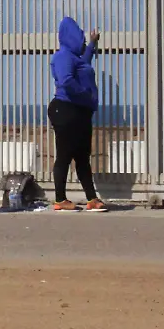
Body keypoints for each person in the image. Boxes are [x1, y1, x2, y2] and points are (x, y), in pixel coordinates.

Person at [49, 17, 106, 212]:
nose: (82, 41)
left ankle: (92, 199)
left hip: (79, 111)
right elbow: (66, 81)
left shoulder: (75, 58)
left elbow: (85, 63)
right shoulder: (62, 56)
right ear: (70, 37)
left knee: (82, 156)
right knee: (65, 155)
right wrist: (85, 93)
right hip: (65, 109)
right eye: (80, 37)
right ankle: (60, 199)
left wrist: (93, 43)